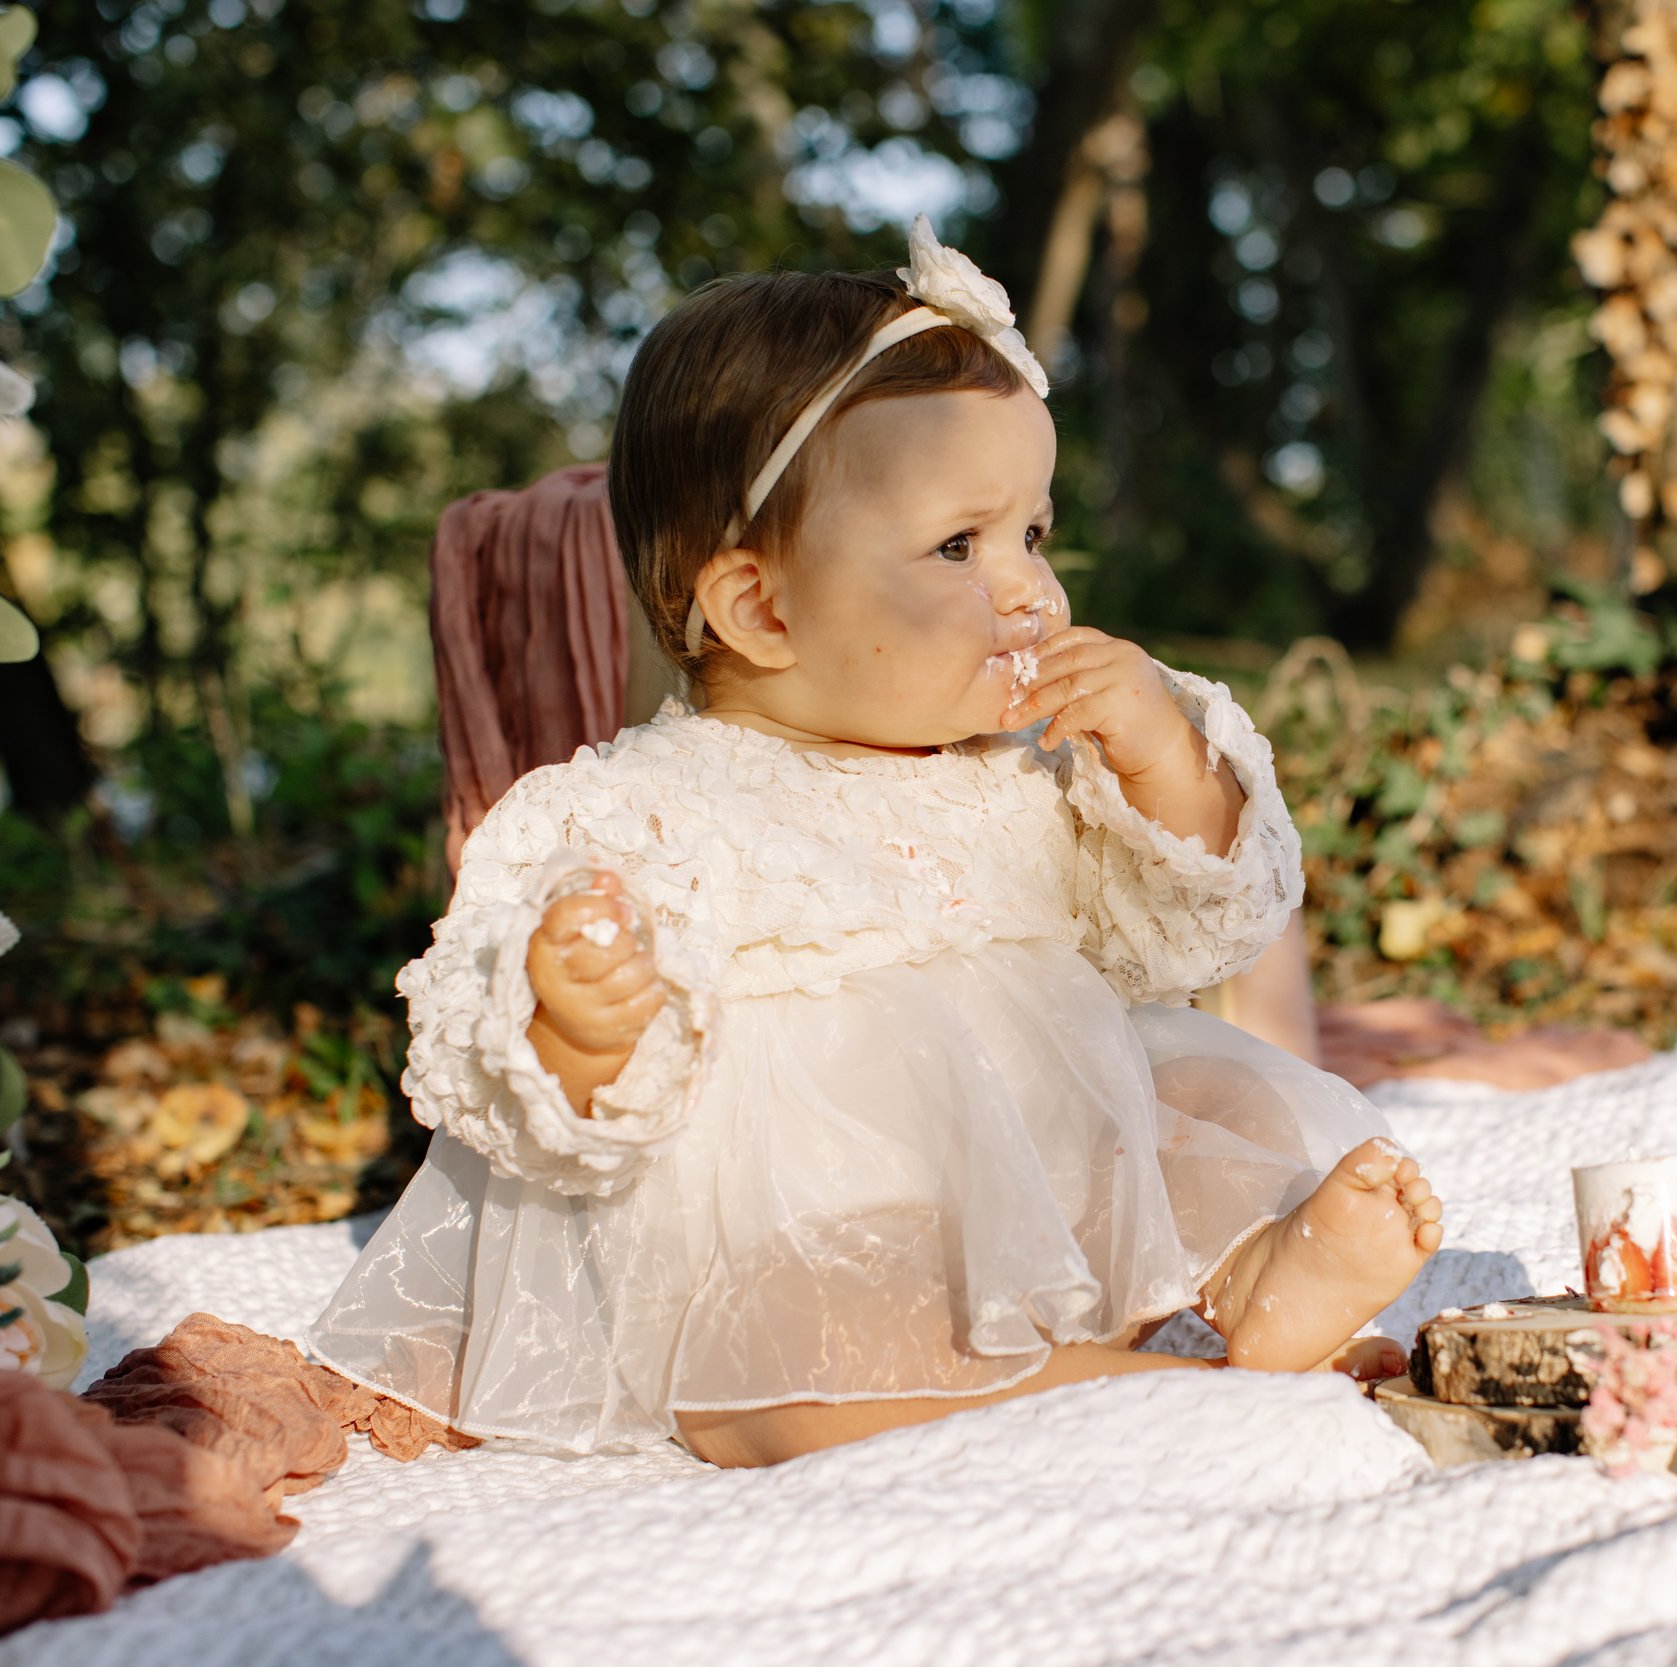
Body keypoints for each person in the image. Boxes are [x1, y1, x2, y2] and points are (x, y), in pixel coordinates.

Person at [307, 220, 1441, 1467]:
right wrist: (579, 1024)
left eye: (1034, 534)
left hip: (1035, 1182)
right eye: (960, 545)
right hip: (802, 1222)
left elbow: (1196, 919)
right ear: (763, 606)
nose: (1029, 591)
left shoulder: (1023, 772)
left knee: (1209, 1100)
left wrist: (1163, 759)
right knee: (789, 1347)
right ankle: (1122, 1386)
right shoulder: (640, 811)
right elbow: (524, 1101)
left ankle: (1254, 1275)